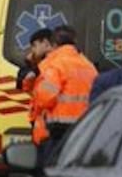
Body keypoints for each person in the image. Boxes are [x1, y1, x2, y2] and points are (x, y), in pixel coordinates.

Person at [32, 24, 97, 166]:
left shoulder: (54, 65)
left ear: (54, 44)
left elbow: (45, 99)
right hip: (84, 130)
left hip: (57, 132)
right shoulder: (88, 65)